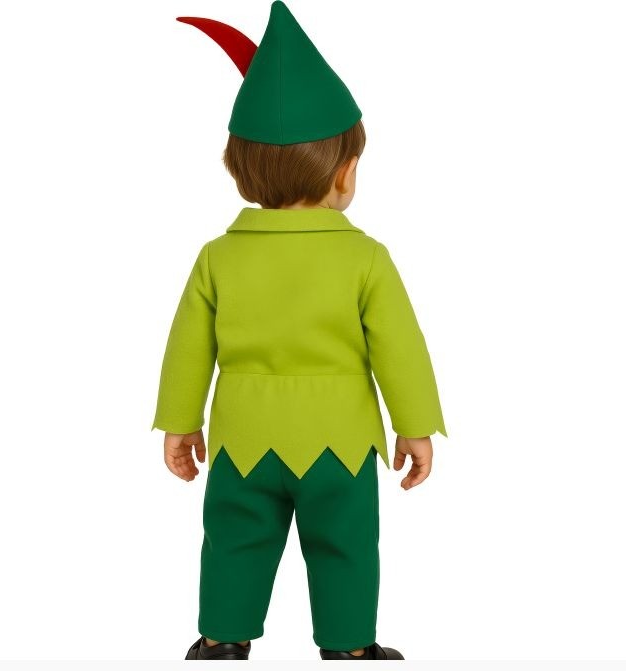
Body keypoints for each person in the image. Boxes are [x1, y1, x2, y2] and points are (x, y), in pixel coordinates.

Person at [151, 1, 447, 661]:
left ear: (240, 168)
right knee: (345, 543)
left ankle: (221, 639)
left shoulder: (217, 258)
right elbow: (399, 348)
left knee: (234, 538)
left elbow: (189, 347)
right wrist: (416, 426)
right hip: (340, 441)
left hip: (242, 437)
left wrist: (180, 422)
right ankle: (348, 647)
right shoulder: (366, 258)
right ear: (344, 172)